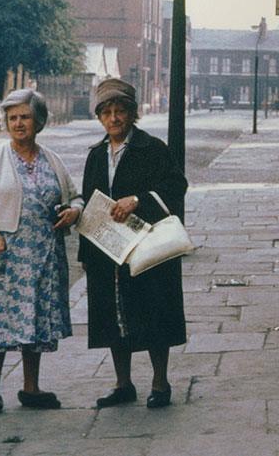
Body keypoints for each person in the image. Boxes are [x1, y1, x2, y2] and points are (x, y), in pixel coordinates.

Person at [0, 89, 83, 416]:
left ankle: (31, 388)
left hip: (42, 255)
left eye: (25, 117)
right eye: (12, 117)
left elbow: (75, 197)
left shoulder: (52, 160)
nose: (18, 123)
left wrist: (73, 211)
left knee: (35, 319)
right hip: (3, 258)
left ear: (39, 121)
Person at [80, 78, 187, 409]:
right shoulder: (97, 155)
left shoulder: (151, 148)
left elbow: (175, 186)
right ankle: (123, 383)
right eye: (107, 112)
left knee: (154, 311)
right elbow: (89, 202)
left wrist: (138, 201)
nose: (113, 119)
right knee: (113, 315)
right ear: (99, 117)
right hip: (108, 249)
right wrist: (86, 253)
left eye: (120, 111)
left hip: (146, 247)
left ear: (132, 114)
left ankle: (160, 382)